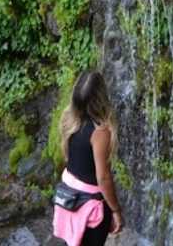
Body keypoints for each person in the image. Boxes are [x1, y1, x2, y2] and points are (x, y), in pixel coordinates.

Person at [52, 71, 124, 246]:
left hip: (67, 197)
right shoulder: (100, 132)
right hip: (89, 207)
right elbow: (103, 177)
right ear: (101, 97)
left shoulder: (69, 118)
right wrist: (115, 210)